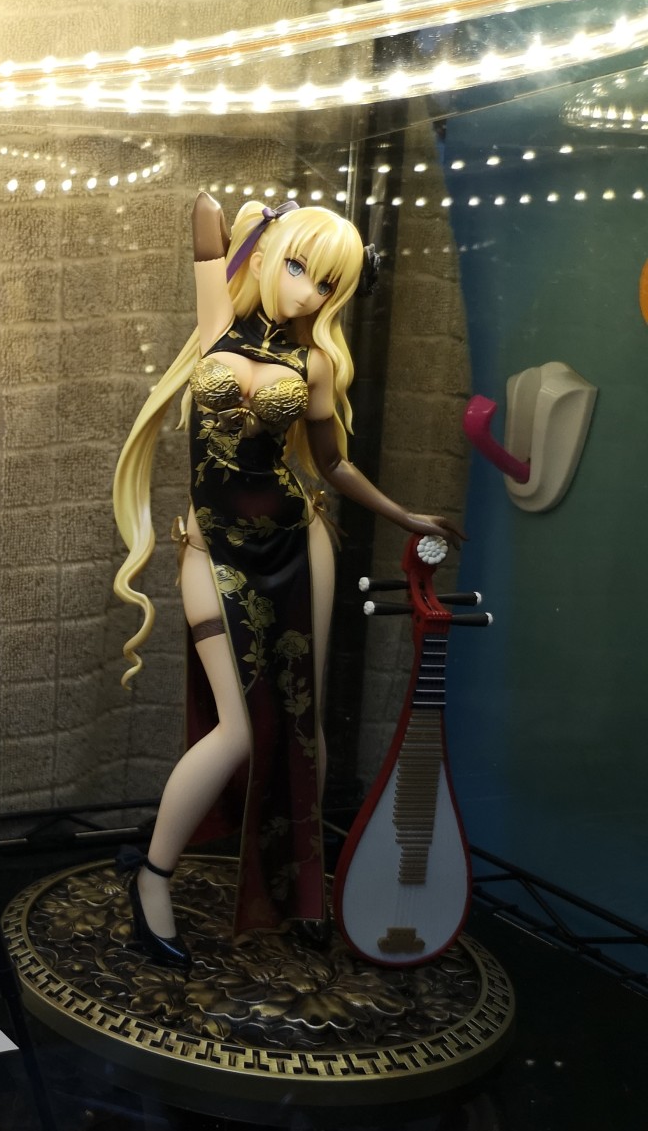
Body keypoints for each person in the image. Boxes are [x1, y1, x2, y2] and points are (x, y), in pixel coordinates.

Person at [110, 194, 463, 969]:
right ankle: (152, 878)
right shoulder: (217, 322)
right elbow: (203, 217)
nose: (308, 293)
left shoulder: (317, 364)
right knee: (235, 728)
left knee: (304, 718)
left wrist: (404, 515)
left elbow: (332, 464)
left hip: (299, 542)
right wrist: (257, 220)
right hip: (211, 547)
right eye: (301, 268)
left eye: (328, 284)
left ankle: (304, 887)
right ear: (271, 256)